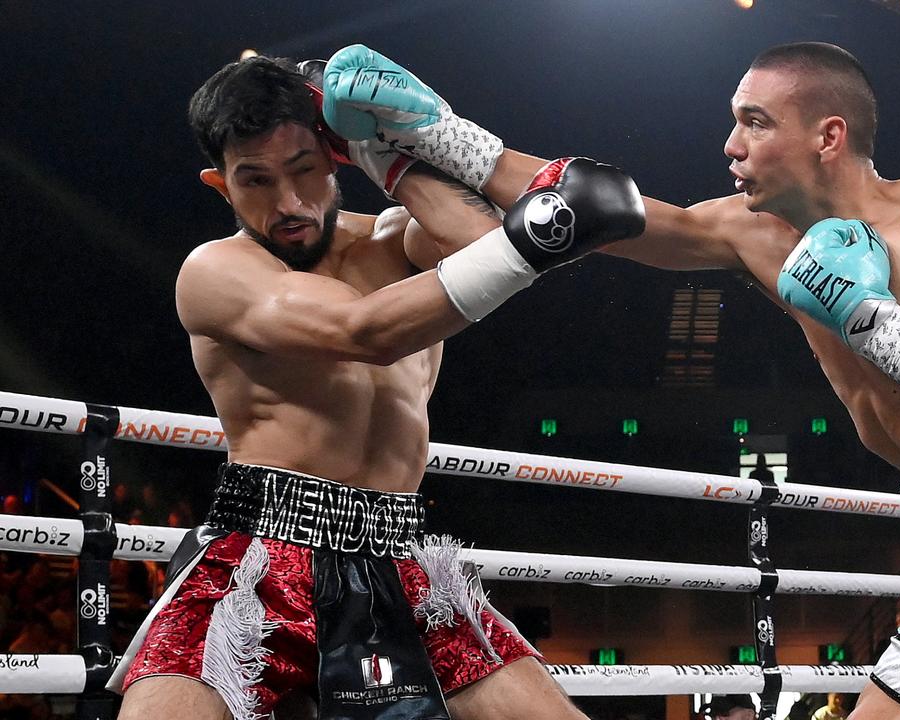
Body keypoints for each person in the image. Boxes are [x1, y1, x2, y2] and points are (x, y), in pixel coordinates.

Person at [321, 42, 900, 720]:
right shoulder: (754, 236)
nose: (729, 142)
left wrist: (868, 317)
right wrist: (434, 130)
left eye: (754, 120)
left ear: (828, 134)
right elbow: (603, 212)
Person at [106, 55, 645, 720]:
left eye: (305, 168)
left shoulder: (391, 241)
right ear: (220, 186)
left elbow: (481, 244)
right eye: (256, 181)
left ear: (333, 160)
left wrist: (381, 153)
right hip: (256, 557)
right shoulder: (215, 272)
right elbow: (365, 330)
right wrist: (536, 238)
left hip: (399, 551)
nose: (289, 203)